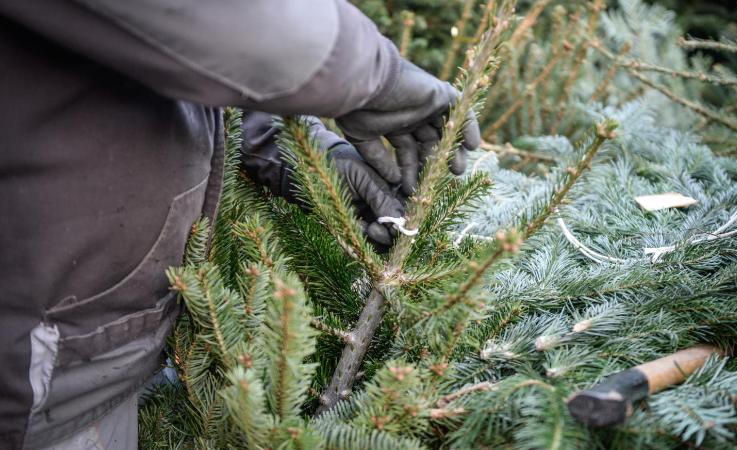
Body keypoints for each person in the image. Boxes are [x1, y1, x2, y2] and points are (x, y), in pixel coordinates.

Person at [0, 1, 481, 448]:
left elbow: (179, 70)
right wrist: (375, 73)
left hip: (84, 351)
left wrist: (309, 158)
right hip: (36, 372)